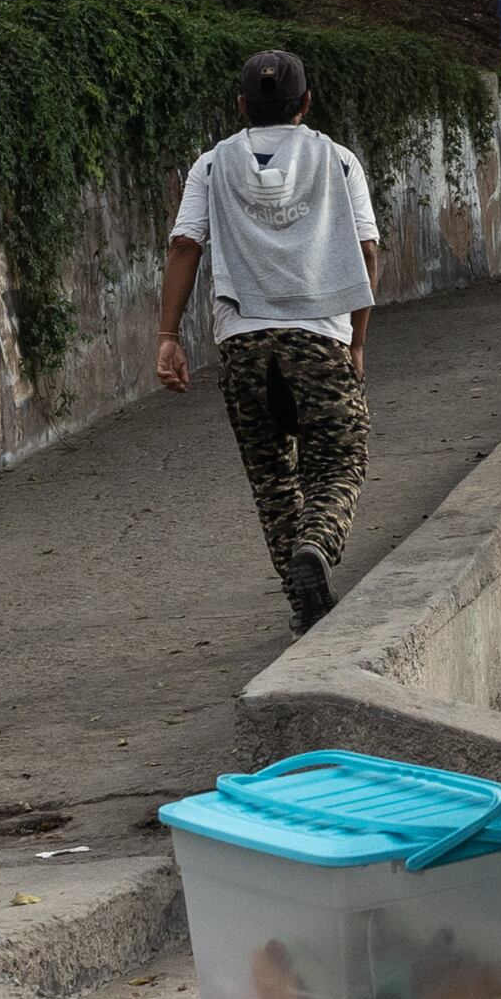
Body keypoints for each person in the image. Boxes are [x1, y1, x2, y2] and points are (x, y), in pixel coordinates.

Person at [153, 48, 383, 630]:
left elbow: (185, 246)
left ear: (241, 105)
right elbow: (367, 251)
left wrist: (167, 336)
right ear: (305, 103)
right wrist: (356, 343)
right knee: (339, 460)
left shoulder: (211, 165)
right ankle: (317, 547)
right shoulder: (338, 159)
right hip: (320, 338)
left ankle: (303, 603)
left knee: (273, 479)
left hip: (243, 345)